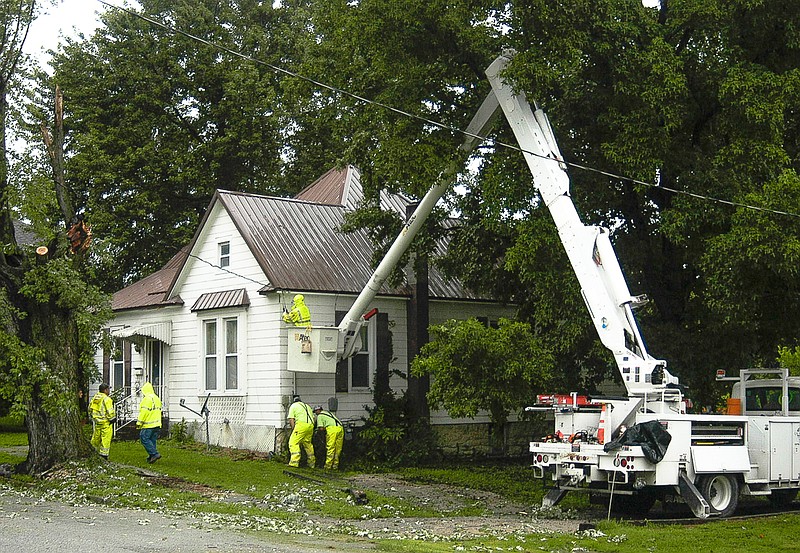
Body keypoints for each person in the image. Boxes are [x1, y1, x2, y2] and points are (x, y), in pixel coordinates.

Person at [137, 382, 163, 464]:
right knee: (152, 440)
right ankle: (152, 456)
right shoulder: (157, 398)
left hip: (148, 423)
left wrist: (139, 423)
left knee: (144, 438)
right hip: (157, 423)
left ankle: (154, 454)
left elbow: (144, 412)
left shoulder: (147, 399)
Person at [287, 395, 316, 468]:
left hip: (301, 425)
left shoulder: (293, 406)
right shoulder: (307, 406)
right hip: (310, 425)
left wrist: (294, 429)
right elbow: (314, 418)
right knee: (308, 444)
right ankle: (311, 463)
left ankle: (294, 463)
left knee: (293, 443)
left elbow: (291, 419)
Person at [89, 383, 116, 459]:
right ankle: (104, 455)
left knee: (95, 438)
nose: (109, 391)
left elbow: (90, 408)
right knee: (105, 439)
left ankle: (91, 451)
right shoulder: (107, 399)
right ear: (105, 390)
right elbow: (109, 411)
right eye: (108, 389)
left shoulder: (95, 397)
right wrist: (113, 419)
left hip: (97, 422)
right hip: (105, 422)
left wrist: (93, 417)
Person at [313, 405, 344, 470]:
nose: (316, 413)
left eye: (315, 412)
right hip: (340, 428)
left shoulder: (320, 416)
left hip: (332, 430)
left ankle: (328, 466)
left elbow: (321, 428)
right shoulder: (328, 413)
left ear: (318, 410)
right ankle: (335, 466)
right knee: (338, 449)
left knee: (330, 448)